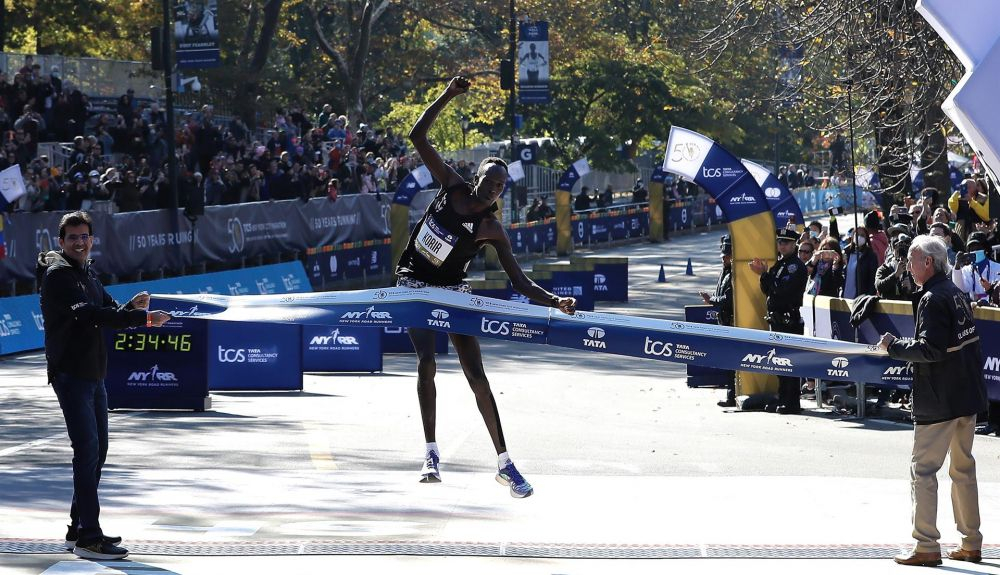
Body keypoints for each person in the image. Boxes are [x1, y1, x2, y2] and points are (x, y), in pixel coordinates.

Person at [395, 76, 577, 498]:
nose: (493, 189)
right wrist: (448, 94)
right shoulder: (450, 186)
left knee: (477, 375)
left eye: (500, 186)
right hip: (414, 284)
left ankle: (505, 463)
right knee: (427, 364)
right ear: (475, 177)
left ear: (502, 192)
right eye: (488, 181)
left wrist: (554, 302)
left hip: (454, 290)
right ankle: (430, 454)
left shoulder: (491, 228)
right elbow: (417, 135)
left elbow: (519, 280)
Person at [36, 211, 172, 560]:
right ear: (61, 242)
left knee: (98, 452)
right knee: (86, 453)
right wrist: (141, 318)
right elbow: (90, 316)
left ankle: (76, 529)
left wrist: (132, 308)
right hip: (71, 375)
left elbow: (109, 310)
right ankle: (89, 539)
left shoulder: (88, 273)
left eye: (85, 236)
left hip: (94, 375)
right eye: (73, 238)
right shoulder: (59, 277)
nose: (80, 243)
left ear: (92, 239)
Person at [878, 235, 987, 567]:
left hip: (940, 399)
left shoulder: (931, 298)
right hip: (966, 396)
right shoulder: (955, 293)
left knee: (923, 471)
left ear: (928, 262)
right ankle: (971, 542)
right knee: (963, 470)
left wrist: (894, 346)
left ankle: (925, 545)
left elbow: (931, 349)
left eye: (910, 260)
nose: (907, 267)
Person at [749, 227, 807, 414]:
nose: (782, 245)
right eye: (780, 242)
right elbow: (767, 288)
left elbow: (782, 291)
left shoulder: (795, 266)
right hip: (777, 319)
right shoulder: (780, 264)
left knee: (789, 362)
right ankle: (783, 398)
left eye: (786, 242)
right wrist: (764, 274)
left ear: (794, 244)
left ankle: (791, 402)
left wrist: (766, 276)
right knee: (779, 362)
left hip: (789, 319)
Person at [700, 235, 734, 407]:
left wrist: (712, 300)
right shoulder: (724, 272)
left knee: (732, 361)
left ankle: (733, 395)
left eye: (726, 256)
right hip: (724, 320)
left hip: (732, 322)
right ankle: (731, 394)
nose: (723, 259)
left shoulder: (735, 273)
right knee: (728, 361)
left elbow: (729, 299)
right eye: (722, 256)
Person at [952, 231, 1000, 305]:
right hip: (974, 310)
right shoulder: (966, 269)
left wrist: (984, 298)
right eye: (972, 249)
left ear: (985, 249)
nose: (975, 251)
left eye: (978, 248)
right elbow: (961, 289)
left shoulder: (997, 268)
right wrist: (957, 266)